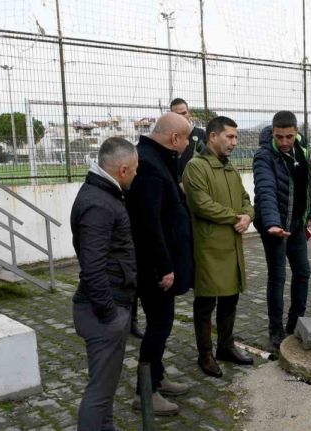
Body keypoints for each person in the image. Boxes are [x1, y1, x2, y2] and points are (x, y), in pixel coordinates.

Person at [126, 112, 194, 416]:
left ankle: (158, 376)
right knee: (159, 325)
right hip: (155, 268)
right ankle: (145, 392)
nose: (190, 144)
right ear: (175, 138)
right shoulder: (150, 165)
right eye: (188, 138)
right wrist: (163, 267)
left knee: (161, 324)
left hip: (160, 262)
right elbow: (148, 224)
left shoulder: (156, 158)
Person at [70, 137, 138, 431]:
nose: (136, 175)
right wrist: (111, 315)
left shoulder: (104, 194)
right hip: (102, 312)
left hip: (109, 306)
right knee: (98, 393)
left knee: (105, 388)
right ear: (123, 170)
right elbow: (92, 269)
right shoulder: (99, 204)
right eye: (135, 170)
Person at [183, 116, 255, 377]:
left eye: (235, 137)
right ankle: (205, 354)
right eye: (230, 137)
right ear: (213, 136)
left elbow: (246, 198)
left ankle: (226, 346)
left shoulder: (230, 168)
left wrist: (249, 215)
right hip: (208, 248)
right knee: (205, 303)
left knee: (230, 298)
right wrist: (236, 217)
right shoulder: (196, 167)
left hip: (232, 246)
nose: (234, 142)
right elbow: (201, 204)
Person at [253, 111, 311, 348]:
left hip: (296, 224)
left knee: (303, 272)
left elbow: (305, 184)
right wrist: (272, 223)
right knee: (277, 277)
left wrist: (309, 213)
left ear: (296, 132)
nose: (284, 142)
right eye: (279, 137)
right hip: (274, 228)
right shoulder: (264, 156)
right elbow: (265, 190)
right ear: (273, 132)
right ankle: (275, 328)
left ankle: (295, 322)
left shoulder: (302, 149)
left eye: (289, 136)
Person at [170, 97, 207, 177]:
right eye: (177, 114)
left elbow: (207, 158)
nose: (181, 117)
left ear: (189, 112)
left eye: (184, 113)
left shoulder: (200, 134)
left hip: (197, 182)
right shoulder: (168, 136)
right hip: (174, 184)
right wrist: (179, 181)